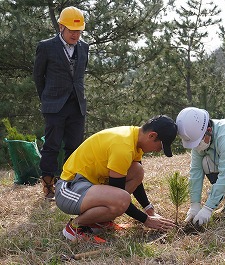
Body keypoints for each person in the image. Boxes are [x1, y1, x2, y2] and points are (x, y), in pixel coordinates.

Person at [55, 115, 177, 242]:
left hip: (90, 186)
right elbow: (119, 196)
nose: (158, 151)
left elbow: (135, 180)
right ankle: (74, 227)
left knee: (137, 171)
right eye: (160, 146)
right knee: (121, 199)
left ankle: (98, 222)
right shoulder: (123, 147)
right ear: (152, 136)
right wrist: (146, 220)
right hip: (69, 188)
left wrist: (149, 210)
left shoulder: (135, 139)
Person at [33, 6, 89, 199]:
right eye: (72, 30)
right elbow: (38, 77)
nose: (76, 34)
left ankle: (69, 183)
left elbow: (79, 77)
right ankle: (48, 185)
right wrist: (47, 99)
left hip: (77, 105)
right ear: (61, 27)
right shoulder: (46, 46)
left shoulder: (84, 47)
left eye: (79, 31)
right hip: (54, 105)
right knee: (52, 145)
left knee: (74, 146)